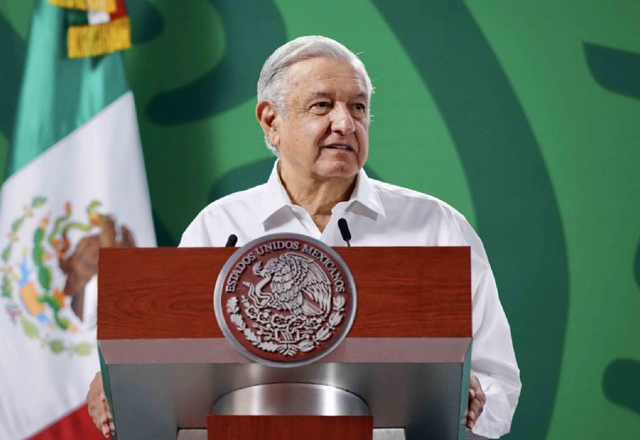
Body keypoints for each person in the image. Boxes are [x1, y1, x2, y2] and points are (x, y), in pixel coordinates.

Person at [88, 35, 521, 439]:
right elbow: (177, 381)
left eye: (358, 107)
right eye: (322, 105)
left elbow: (499, 386)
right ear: (271, 121)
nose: (345, 123)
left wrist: (467, 398)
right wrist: (122, 387)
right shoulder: (219, 228)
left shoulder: (435, 228)